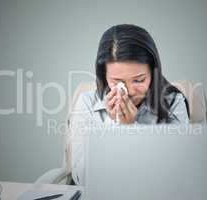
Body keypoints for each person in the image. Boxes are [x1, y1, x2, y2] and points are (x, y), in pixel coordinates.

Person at [65, 24, 190, 185]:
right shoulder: (87, 103)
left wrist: (131, 130)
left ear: (153, 72)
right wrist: (115, 125)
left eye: (139, 80)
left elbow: (176, 175)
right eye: (117, 81)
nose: (129, 91)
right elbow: (83, 179)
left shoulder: (173, 103)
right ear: (104, 76)